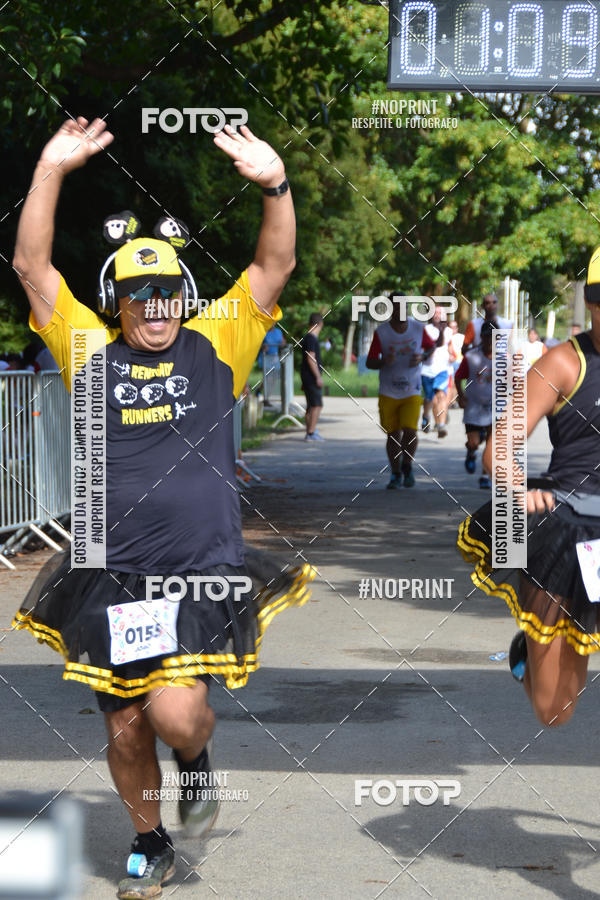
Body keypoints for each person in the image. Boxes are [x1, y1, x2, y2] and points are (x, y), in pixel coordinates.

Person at [11, 116, 314, 900]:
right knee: (123, 725)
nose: (157, 305)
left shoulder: (219, 341)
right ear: (117, 301)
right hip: (111, 574)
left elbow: (273, 265)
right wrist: (51, 167)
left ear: (184, 293)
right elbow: (31, 266)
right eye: (140, 293)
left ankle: (198, 763)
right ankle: (151, 844)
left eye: (169, 290)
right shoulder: (89, 350)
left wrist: (275, 184)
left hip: (198, 573)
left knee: (176, 716)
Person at [457, 246, 600, 728]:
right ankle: (530, 650)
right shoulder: (563, 363)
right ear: (590, 303)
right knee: (555, 710)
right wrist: (518, 492)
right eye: (599, 301)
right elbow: (499, 448)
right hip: (563, 525)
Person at [366, 300, 433, 488]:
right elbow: (369, 362)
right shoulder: (382, 332)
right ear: (390, 309)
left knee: (410, 431)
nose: (401, 310)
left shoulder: (418, 328)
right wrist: (383, 361)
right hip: (388, 391)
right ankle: (395, 473)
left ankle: (407, 465)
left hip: (412, 388)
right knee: (393, 435)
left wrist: (423, 357)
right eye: (396, 306)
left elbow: (431, 347)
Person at [455, 321, 494, 489]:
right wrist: (461, 396)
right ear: (482, 338)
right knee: (474, 442)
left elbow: (515, 381)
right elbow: (458, 377)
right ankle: (471, 452)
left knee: (493, 444)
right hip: (474, 406)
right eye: (486, 337)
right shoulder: (471, 356)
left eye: (493, 338)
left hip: (495, 406)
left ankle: (485, 476)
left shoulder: (505, 358)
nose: (489, 341)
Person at [421, 305, 452, 437]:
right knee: (429, 398)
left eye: (441, 313)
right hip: (427, 369)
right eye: (436, 312)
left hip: (442, 369)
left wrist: (452, 355)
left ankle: (441, 425)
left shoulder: (449, 331)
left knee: (441, 396)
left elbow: (449, 347)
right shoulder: (426, 329)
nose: (438, 315)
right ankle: (426, 415)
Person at [300, 312, 324, 441]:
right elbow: (311, 358)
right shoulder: (311, 338)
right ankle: (311, 432)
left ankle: (310, 430)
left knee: (310, 405)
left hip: (307, 376)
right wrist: (317, 376)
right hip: (311, 377)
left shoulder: (307, 338)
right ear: (320, 324)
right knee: (317, 405)